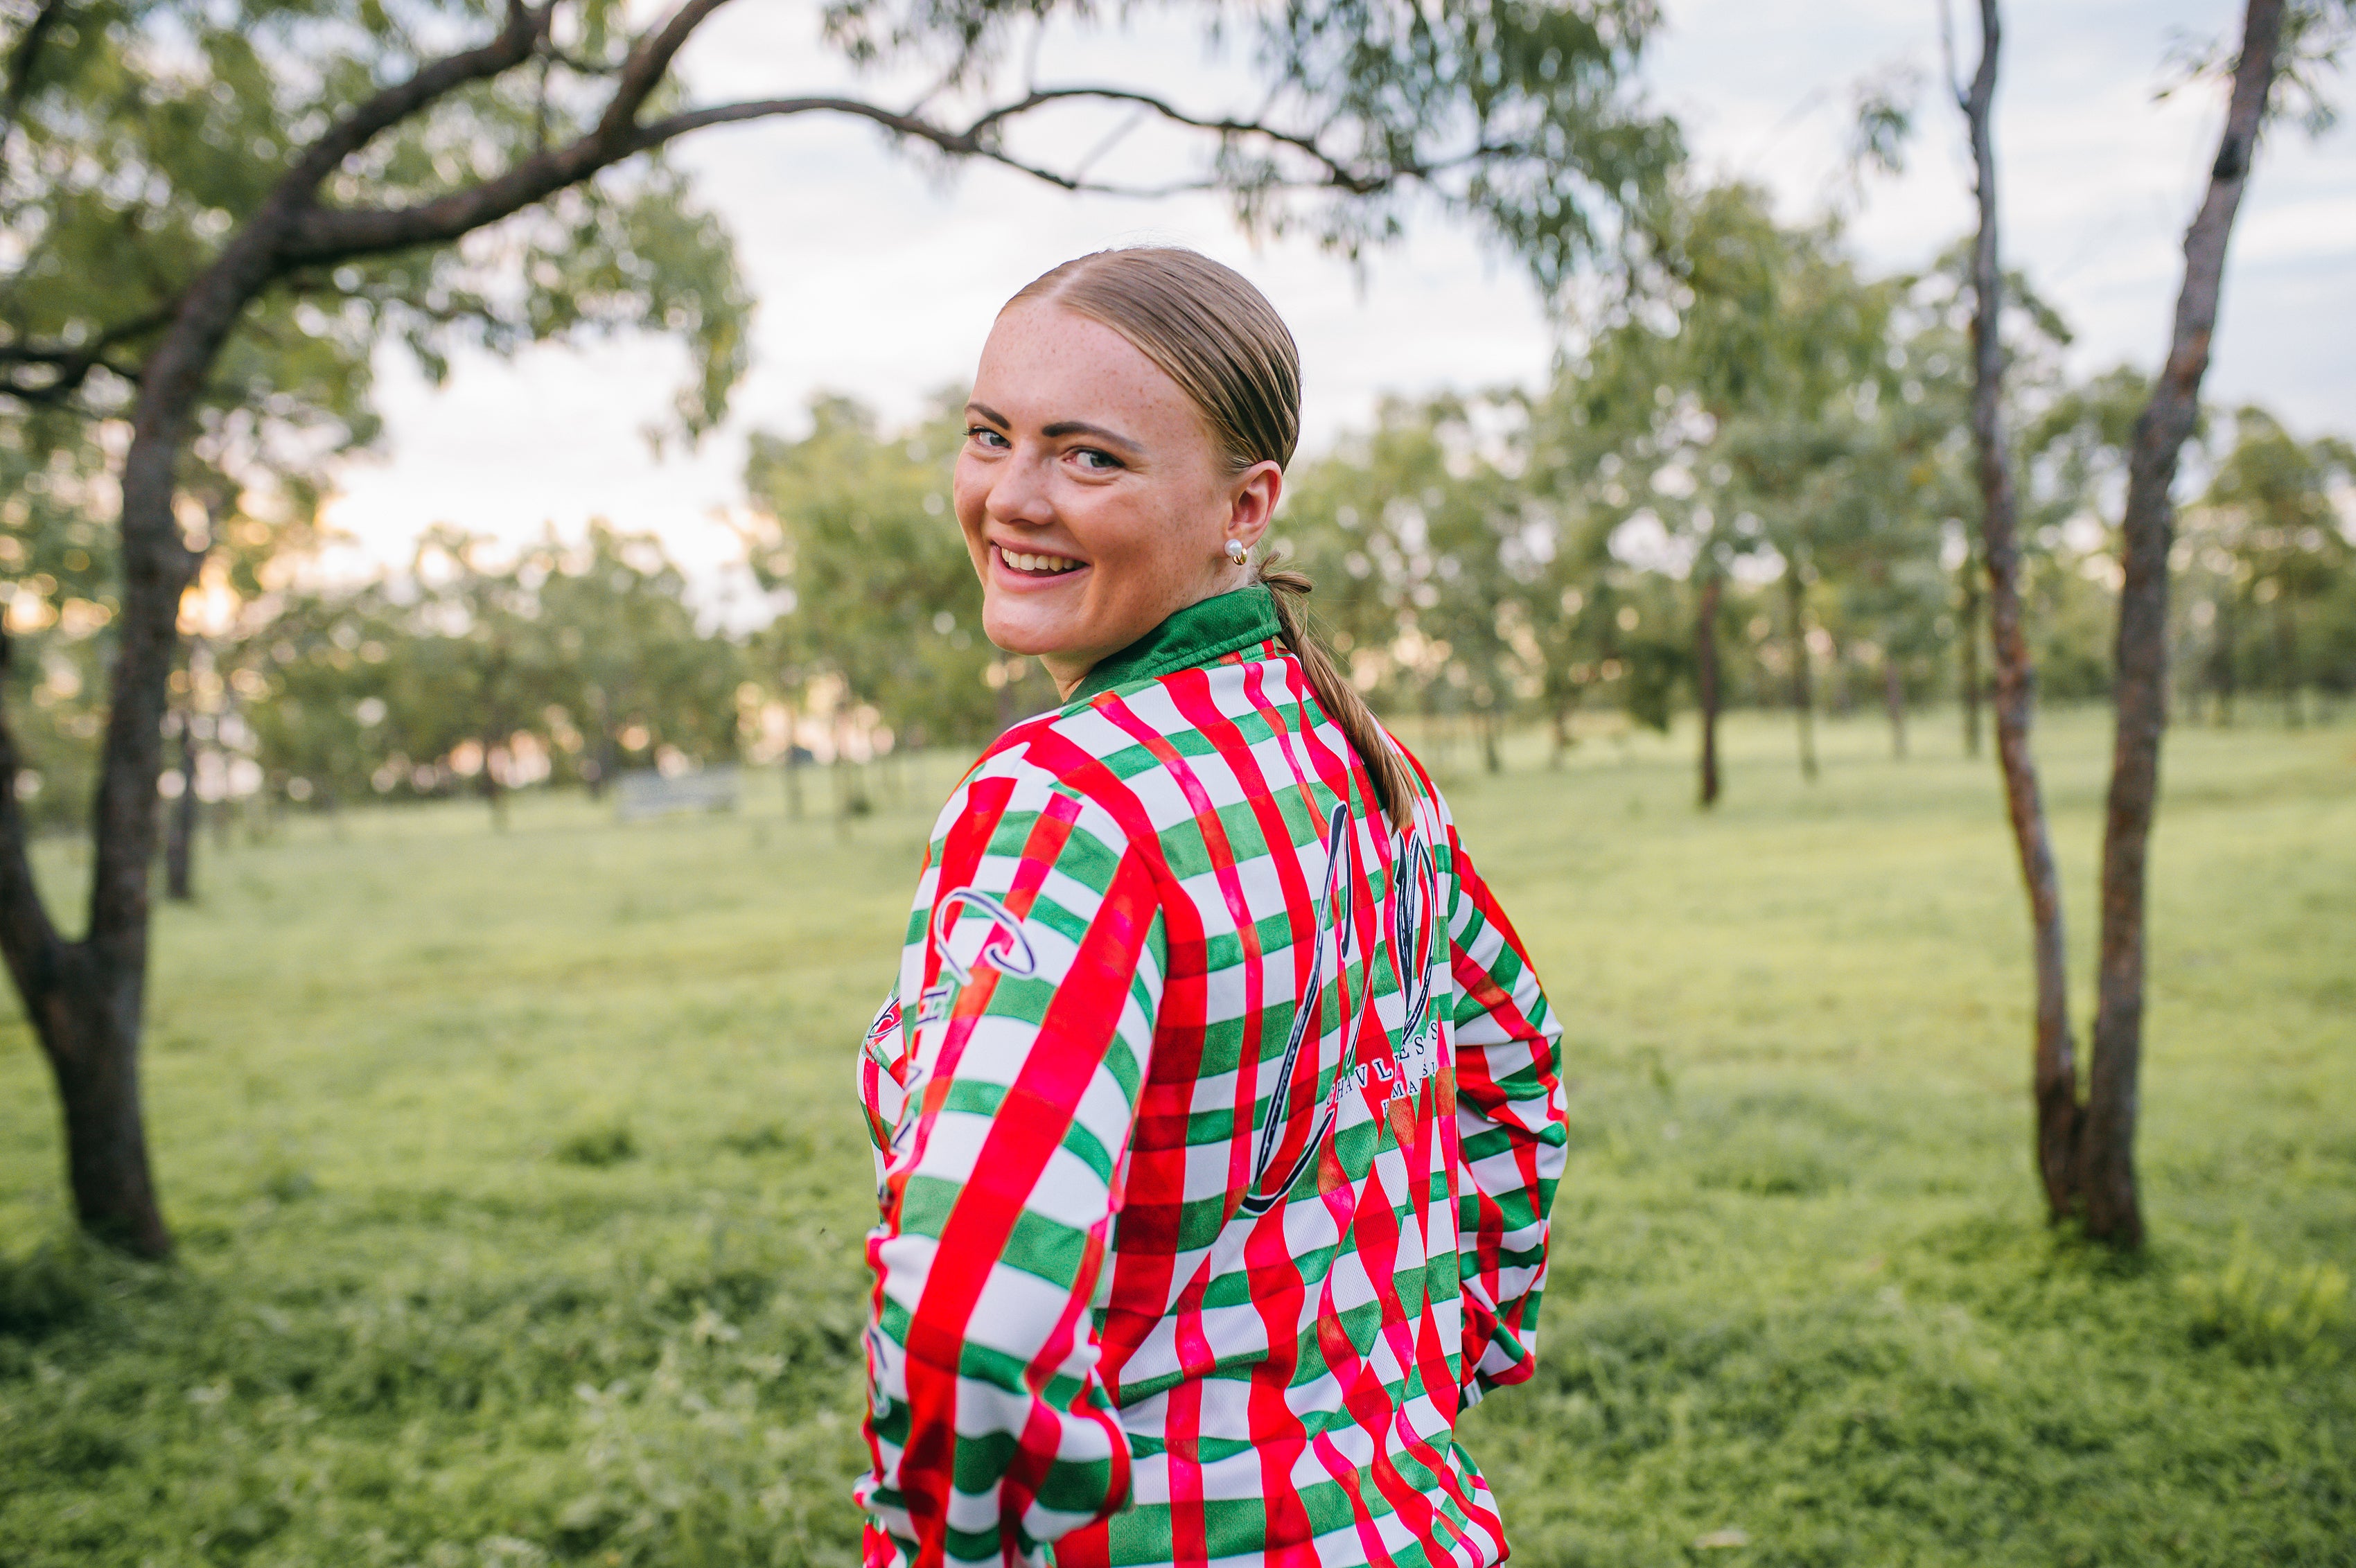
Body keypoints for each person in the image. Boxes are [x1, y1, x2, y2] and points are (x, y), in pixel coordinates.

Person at [856, 247, 1565, 1568]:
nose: (1012, 496)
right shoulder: (1361, 760)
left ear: (1247, 503)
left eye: (1090, 459)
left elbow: (972, 1316)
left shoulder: (1070, 806)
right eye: (989, 436)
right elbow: (1519, 1069)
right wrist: (1428, 1384)